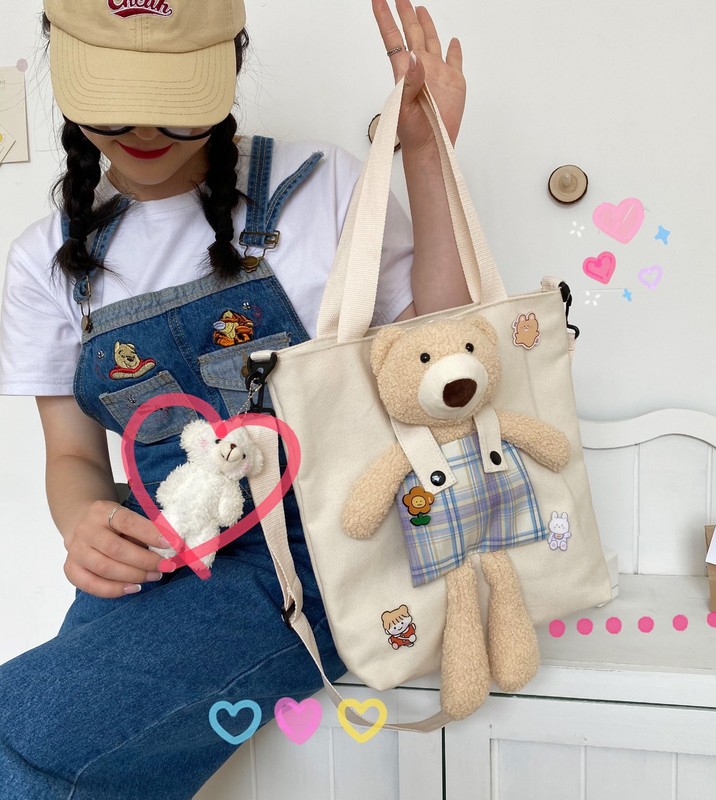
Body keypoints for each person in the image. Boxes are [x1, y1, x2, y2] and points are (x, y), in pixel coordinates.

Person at [0, 0, 470, 796]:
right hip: (162, 558)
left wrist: (428, 157)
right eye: (114, 105)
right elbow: (72, 456)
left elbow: (445, 365)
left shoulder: (322, 187)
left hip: (327, 556)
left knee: (27, 732)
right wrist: (83, 524)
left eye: (174, 104)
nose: (145, 130)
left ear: (231, 64)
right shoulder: (44, 261)